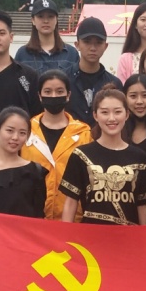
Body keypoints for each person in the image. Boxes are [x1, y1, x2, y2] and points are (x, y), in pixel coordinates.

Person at [60, 88, 146, 225]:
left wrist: (145, 236)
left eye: (117, 112)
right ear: (95, 115)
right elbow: (70, 202)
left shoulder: (139, 157)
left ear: (127, 114)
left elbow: (142, 205)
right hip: (91, 235)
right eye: (104, 112)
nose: (111, 118)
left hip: (129, 235)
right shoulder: (80, 155)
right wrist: (65, 235)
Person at [20, 70, 93, 220]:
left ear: (68, 95)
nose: (53, 96)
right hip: (32, 217)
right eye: (48, 91)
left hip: (72, 220)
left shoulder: (84, 133)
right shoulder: (25, 130)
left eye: (59, 91)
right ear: (39, 96)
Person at [64, 17, 120, 124]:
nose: (93, 48)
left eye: (98, 42)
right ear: (77, 45)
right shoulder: (64, 80)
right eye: (87, 42)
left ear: (105, 46)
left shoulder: (114, 83)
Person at [15, 0, 79, 74]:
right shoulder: (23, 54)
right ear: (33, 20)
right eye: (40, 16)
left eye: (50, 16)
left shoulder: (71, 54)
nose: (46, 21)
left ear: (56, 20)